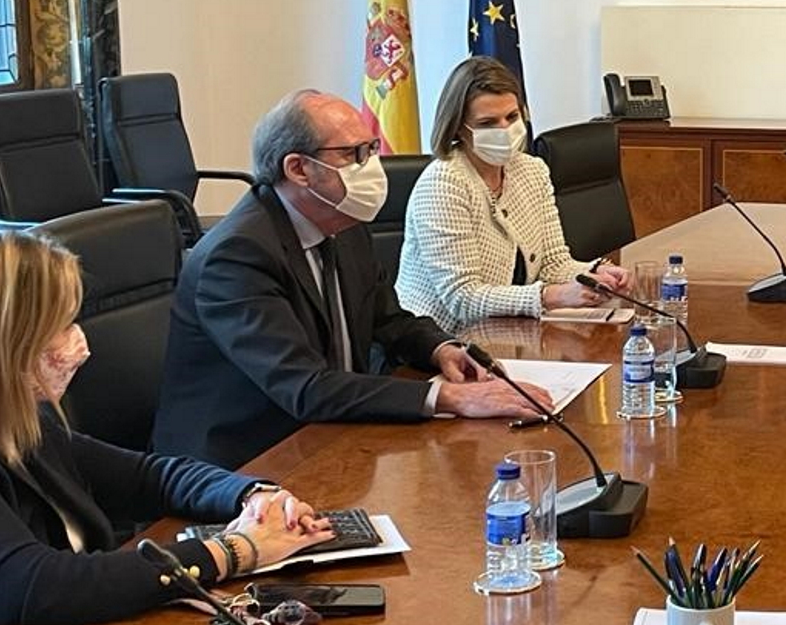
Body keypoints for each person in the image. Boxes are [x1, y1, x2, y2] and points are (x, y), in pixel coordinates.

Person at [153, 90, 551, 470]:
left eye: (371, 148)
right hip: (244, 462)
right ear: (298, 169)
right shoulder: (237, 256)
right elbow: (306, 387)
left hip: (330, 436)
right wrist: (451, 397)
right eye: (352, 154)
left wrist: (442, 349)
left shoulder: (342, 223)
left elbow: (389, 319)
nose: (371, 166)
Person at [0, 231, 336, 625]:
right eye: (61, 325)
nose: (79, 342)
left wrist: (254, 496)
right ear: (1, 343)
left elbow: (150, 476)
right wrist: (233, 551)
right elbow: (37, 584)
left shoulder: (19, 422)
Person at [397, 57, 630, 331]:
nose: (504, 130)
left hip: (507, 333)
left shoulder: (531, 170)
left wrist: (592, 274)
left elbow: (553, 262)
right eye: (487, 123)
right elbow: (463, 298)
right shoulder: (444, 184)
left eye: (512, 117)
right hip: (438, 341)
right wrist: (551, 296)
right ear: (459, 126)